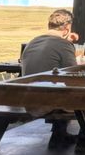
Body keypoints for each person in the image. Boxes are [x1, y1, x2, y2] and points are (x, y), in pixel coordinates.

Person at [21, 9, 79, 147]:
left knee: (58, 88)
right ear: (67, 28)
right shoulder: (64, 44)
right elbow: (73, 74)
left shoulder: (33, 41)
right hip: (47, 100)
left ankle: (59, 135)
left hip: (27, 97)